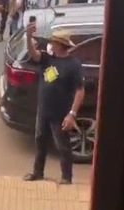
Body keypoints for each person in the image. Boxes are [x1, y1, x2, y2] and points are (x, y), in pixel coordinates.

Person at [22, 28, 85, 185]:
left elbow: (79, 91)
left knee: (62, 146)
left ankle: (66, 177)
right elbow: (33, 54)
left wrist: (72, 114)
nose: (50, 44)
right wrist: (29, 37)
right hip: (43, 110)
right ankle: (38, 172)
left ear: (60, 45)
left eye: (53, 42)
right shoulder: (47, 59)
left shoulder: (73, 65)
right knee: (40, 141)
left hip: (61, 113)